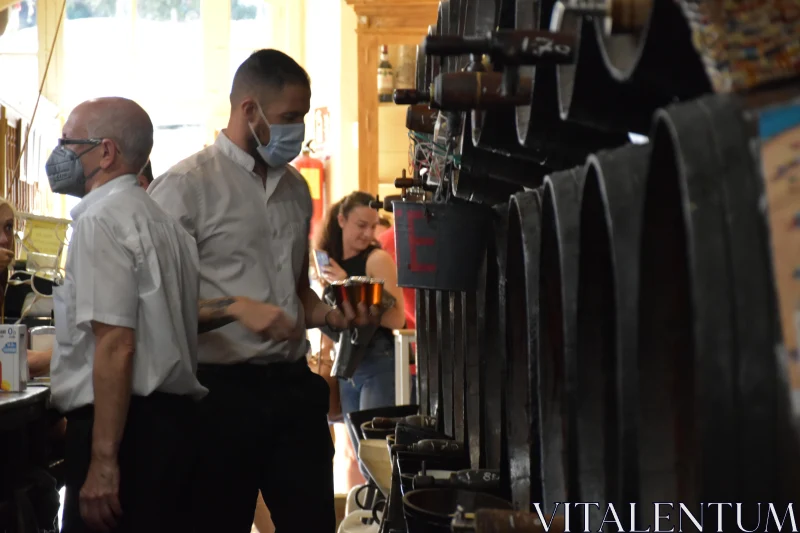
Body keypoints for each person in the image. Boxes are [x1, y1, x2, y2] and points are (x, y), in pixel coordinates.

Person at [148, 49, 374, 533]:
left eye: (303, 116)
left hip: (293, 391)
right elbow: (153, 311)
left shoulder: (295, 189)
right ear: (249, 111)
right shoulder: (184, 189)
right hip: (218, 396)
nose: (298, 130)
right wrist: (233, 308)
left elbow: (297, 294)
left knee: (313, 525)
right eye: (289, 117)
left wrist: (335, 315)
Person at [45, 96, 208, 533]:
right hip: (170, 431)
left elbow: (117, 344)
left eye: (68, 141)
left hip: (124, 434)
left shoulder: (101, 220)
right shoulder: (166, 225)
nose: (60, 153)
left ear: (106, 151)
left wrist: (102, 464)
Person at [316, 192, 406, 418]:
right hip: (347, 361)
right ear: (341, 220)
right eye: (361, 225)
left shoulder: (376, 259)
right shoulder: (332, 259)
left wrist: (348, 286)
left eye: (373, 226)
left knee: (374, 444)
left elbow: (397, 318)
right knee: (359, 448)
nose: (368, 233)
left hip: (378, 359)